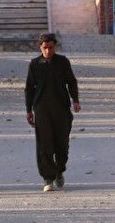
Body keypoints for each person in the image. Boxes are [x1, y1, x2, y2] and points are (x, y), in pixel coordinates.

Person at [25, 33, 80, 192]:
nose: (48, 51)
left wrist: (75, 100)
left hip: (61, 108)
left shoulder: (63, 62)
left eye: (50, 48)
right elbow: (29, 88)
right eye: (45, 48)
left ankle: (59, 170)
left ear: (55, 47)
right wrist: (29, 110)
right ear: (40, 48)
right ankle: (48, 178)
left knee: (62, 144)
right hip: (41, 109)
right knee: (44, 144)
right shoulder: (35, 64)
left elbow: (71, 82)